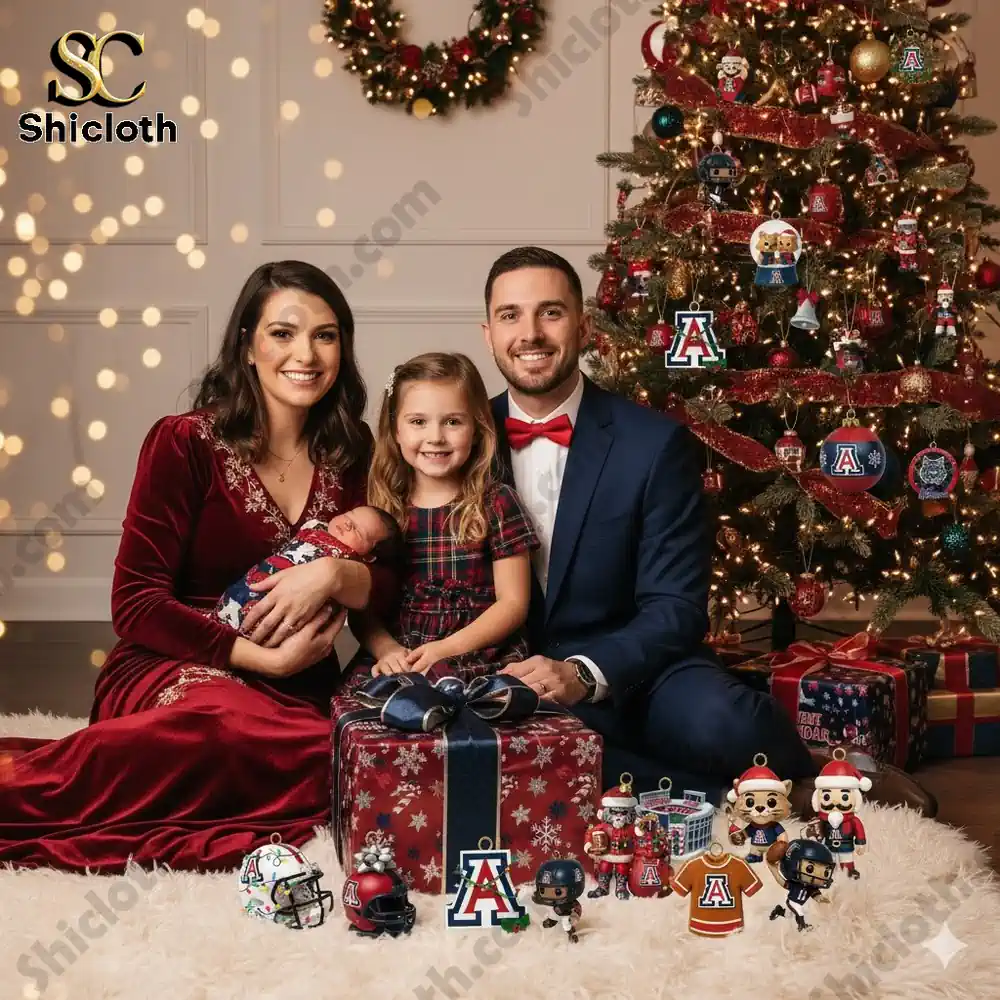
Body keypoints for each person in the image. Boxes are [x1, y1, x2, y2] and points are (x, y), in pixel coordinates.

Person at [481, 246, 934, 815]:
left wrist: (582, 673)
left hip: (642, 666)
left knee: (727, 723)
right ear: (488, 334)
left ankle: (811, 765)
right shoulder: (460, 439)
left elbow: (676, 606)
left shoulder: (652, 442)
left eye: (551, 312)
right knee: (534, 760)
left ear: (585, 326)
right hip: (512, 676)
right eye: (511, 315)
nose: (530, 333)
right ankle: (756, 796)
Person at [0, 260, 396, 873]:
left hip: (299, 683)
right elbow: (135, 603)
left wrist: (337, 575)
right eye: (283, 333)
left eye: (325, 335)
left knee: (339, 759)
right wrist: (262, 659)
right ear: (247, 346)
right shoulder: (184, 442)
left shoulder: (354, 452)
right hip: (176, 664)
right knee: (219, 729)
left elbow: (393, 581)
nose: (306, 354)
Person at [349, 351, 539, 682]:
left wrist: (444, 649)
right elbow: (362, 606)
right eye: (418, 422)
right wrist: (386, 650)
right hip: (400, 655)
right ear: (395, 430)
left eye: (452, 421)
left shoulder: (496, 503)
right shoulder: (382, 510)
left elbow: (513, 604)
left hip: (478, 654)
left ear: (476, 428)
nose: (435, 437)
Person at [213, 506, 400, 634]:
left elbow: (384, 586)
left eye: (358, 531)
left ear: (369, 557)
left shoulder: (351, 562)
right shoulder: (315, 528)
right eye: (349, 514)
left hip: (286, 618)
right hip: (257, 581)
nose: (348, 523)